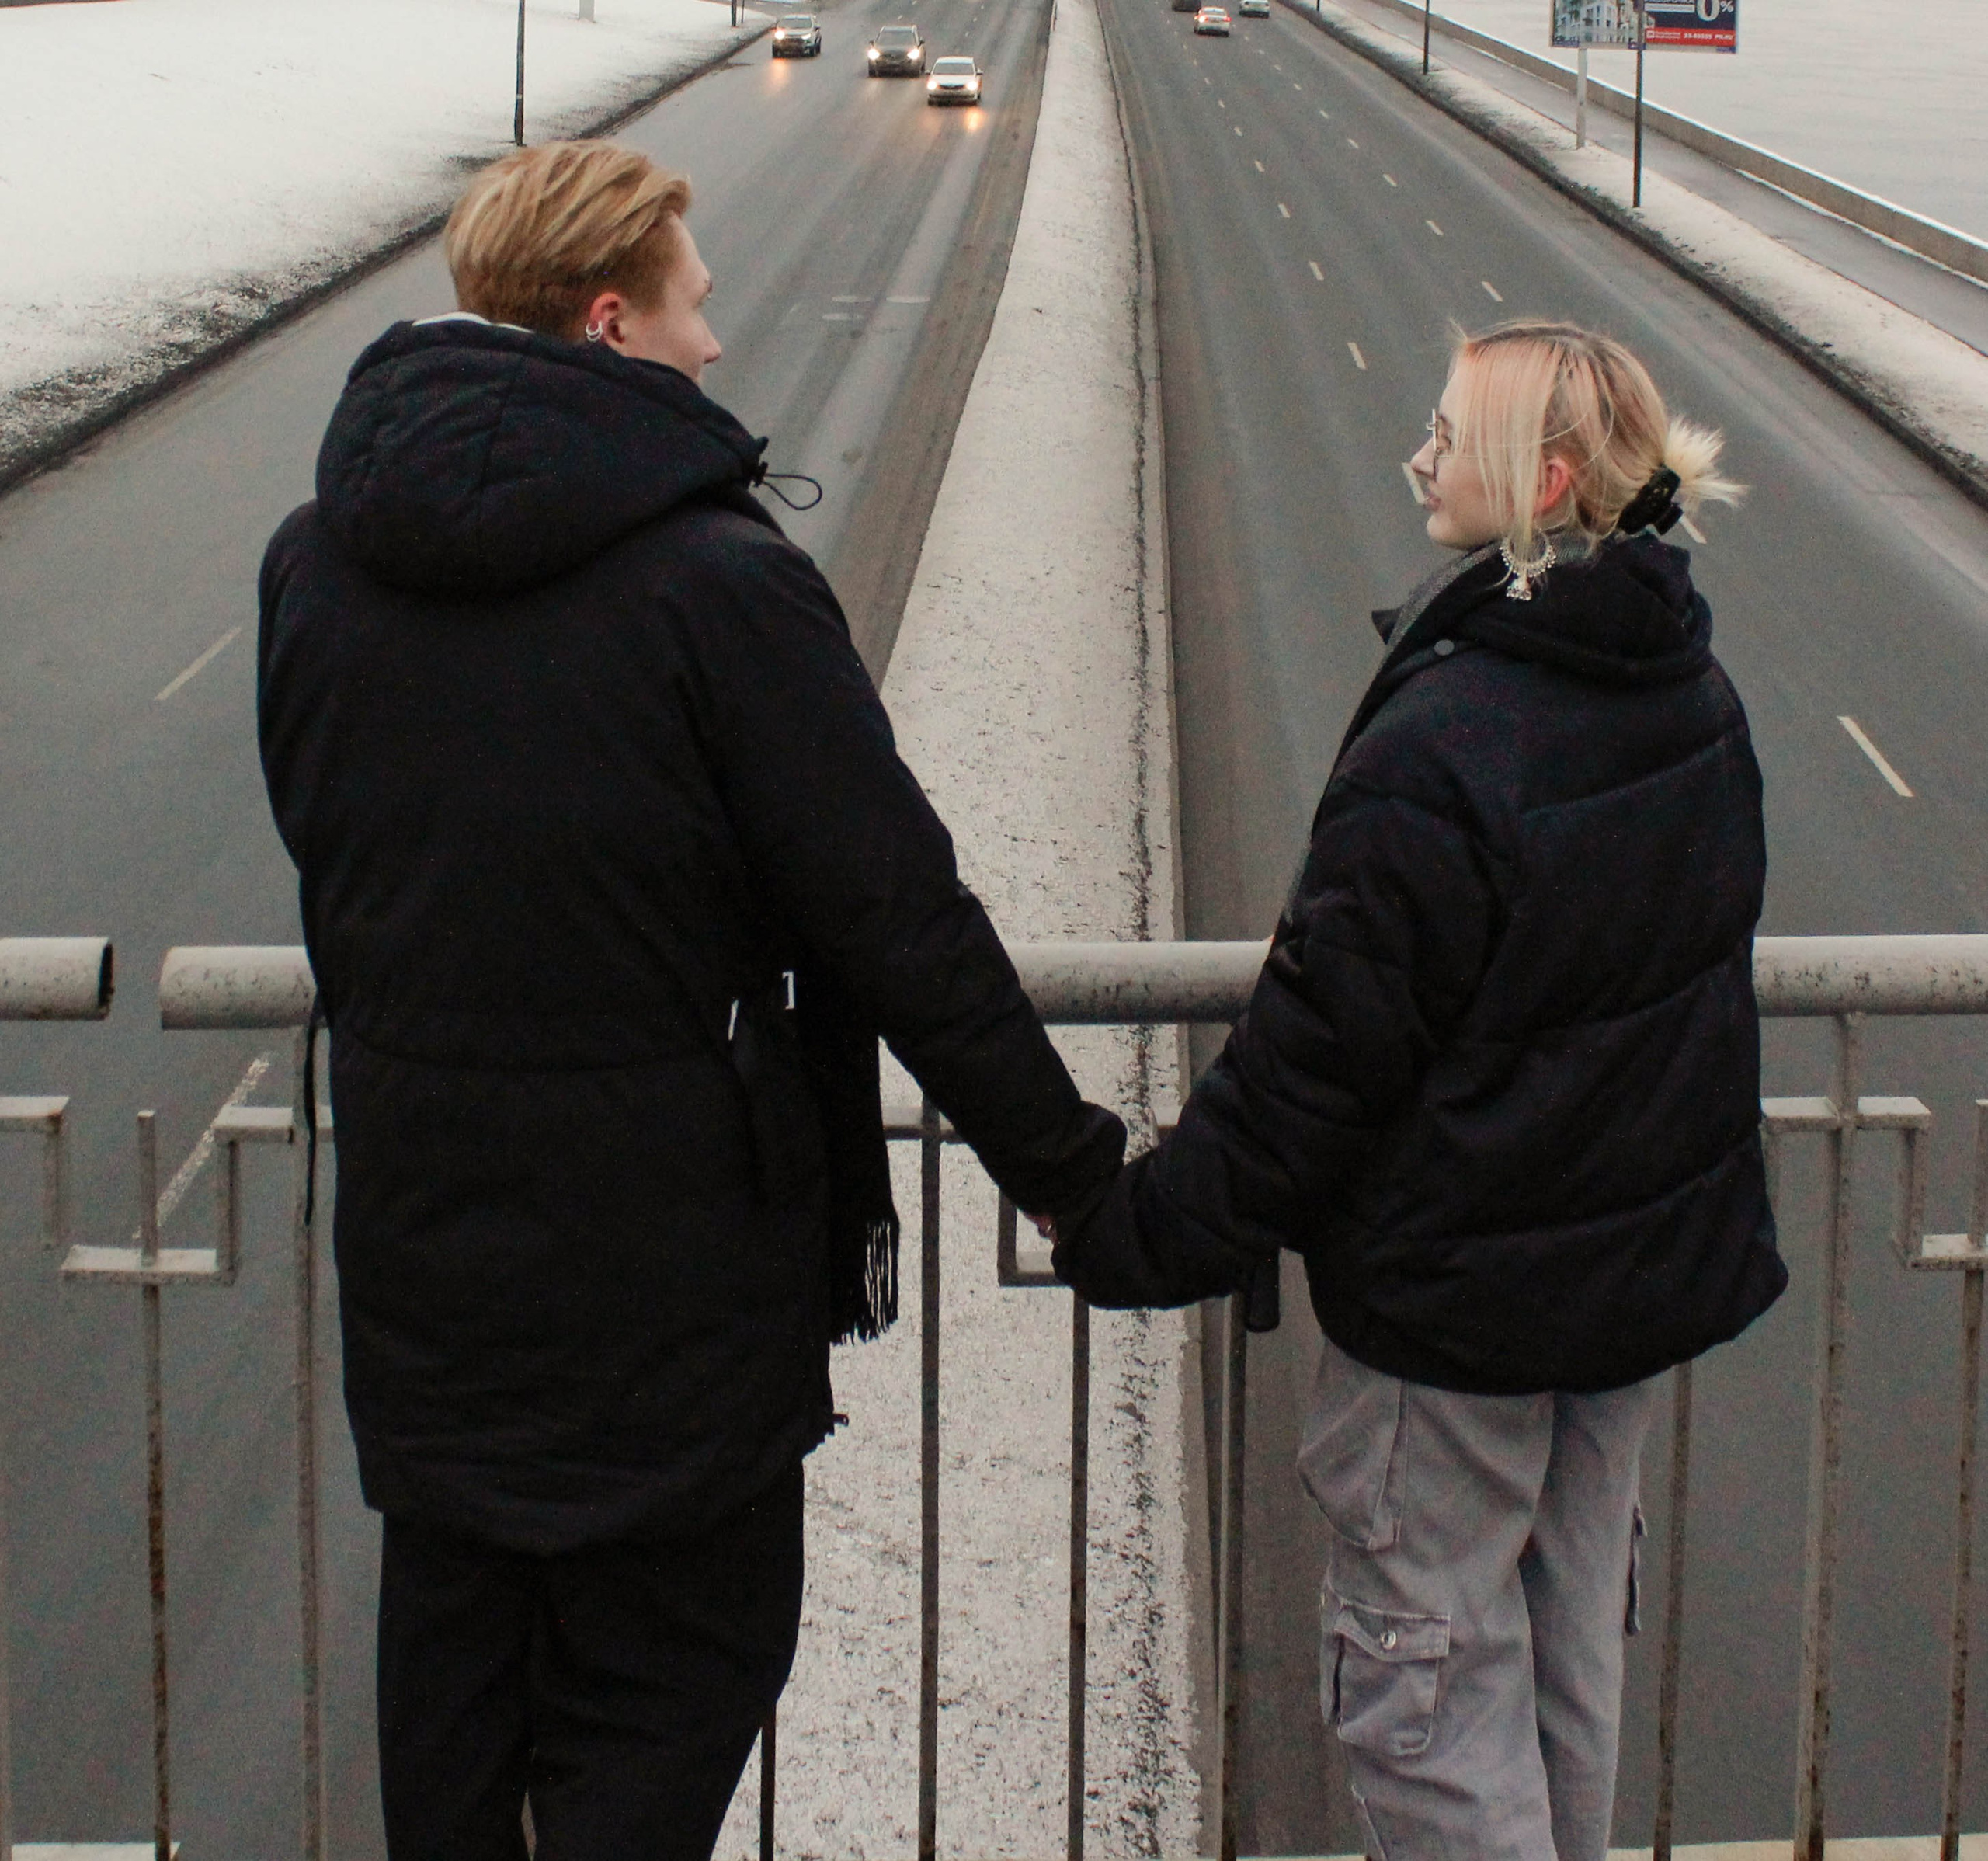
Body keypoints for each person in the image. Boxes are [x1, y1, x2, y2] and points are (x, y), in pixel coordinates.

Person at [257, 141, 1123, 1859]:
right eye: (693, 307)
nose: (716, 345)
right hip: (667, 1311)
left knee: (454, 1748)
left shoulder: (315, 560)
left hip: (427, 1283)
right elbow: (897, 921)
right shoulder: (721, 586)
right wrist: (1080, 1181)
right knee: (662, 1710)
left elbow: (337, 861)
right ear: (607, 320)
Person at [1052, 321, 1787, 1860]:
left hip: (1460, 1311)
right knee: (1565, 1656)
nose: (1420, 457)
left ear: (1547, 481)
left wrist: (1140, 1228)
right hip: (1623, 1290)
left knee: (1425, 1689)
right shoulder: (1692, 691)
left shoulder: (1453, 738)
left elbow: (1318, 1059)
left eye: (1449, 434)